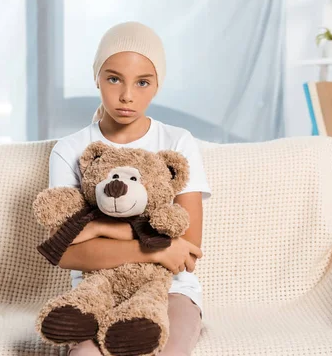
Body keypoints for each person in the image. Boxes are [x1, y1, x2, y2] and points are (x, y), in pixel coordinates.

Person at [47, 21, 212, 355]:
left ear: (156, 85)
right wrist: (158, 248)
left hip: (170, 290)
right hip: (95, 290)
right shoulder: (71, 149)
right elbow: (66, 251)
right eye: (113, 78)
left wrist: (96, 228)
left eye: (142, 82)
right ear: (97, 77)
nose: (126, 95)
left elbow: (188, 248)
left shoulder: (176, 141)